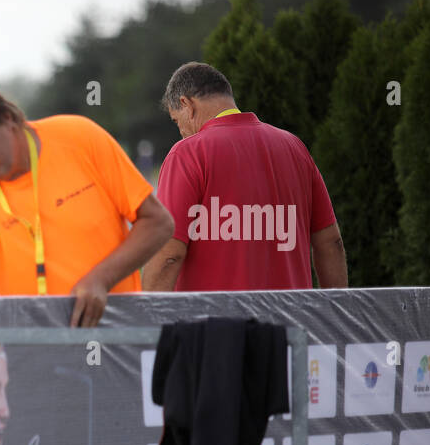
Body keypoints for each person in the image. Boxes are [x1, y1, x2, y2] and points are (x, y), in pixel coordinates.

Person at [0, 81, 174, 327]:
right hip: (31, 352)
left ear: (7, 118)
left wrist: (101, 279)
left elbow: (158, 223)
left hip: (114, 336)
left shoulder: (80, 138)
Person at [143, 61, 348, 291]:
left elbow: (168, 256)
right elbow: (331, 243)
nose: (180, 132)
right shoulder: (295, 148)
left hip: (212, 322)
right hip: (290, 321)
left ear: (187, 105)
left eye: (176, 120)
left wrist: (148, 320)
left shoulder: (187, 154)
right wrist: (332, 316)